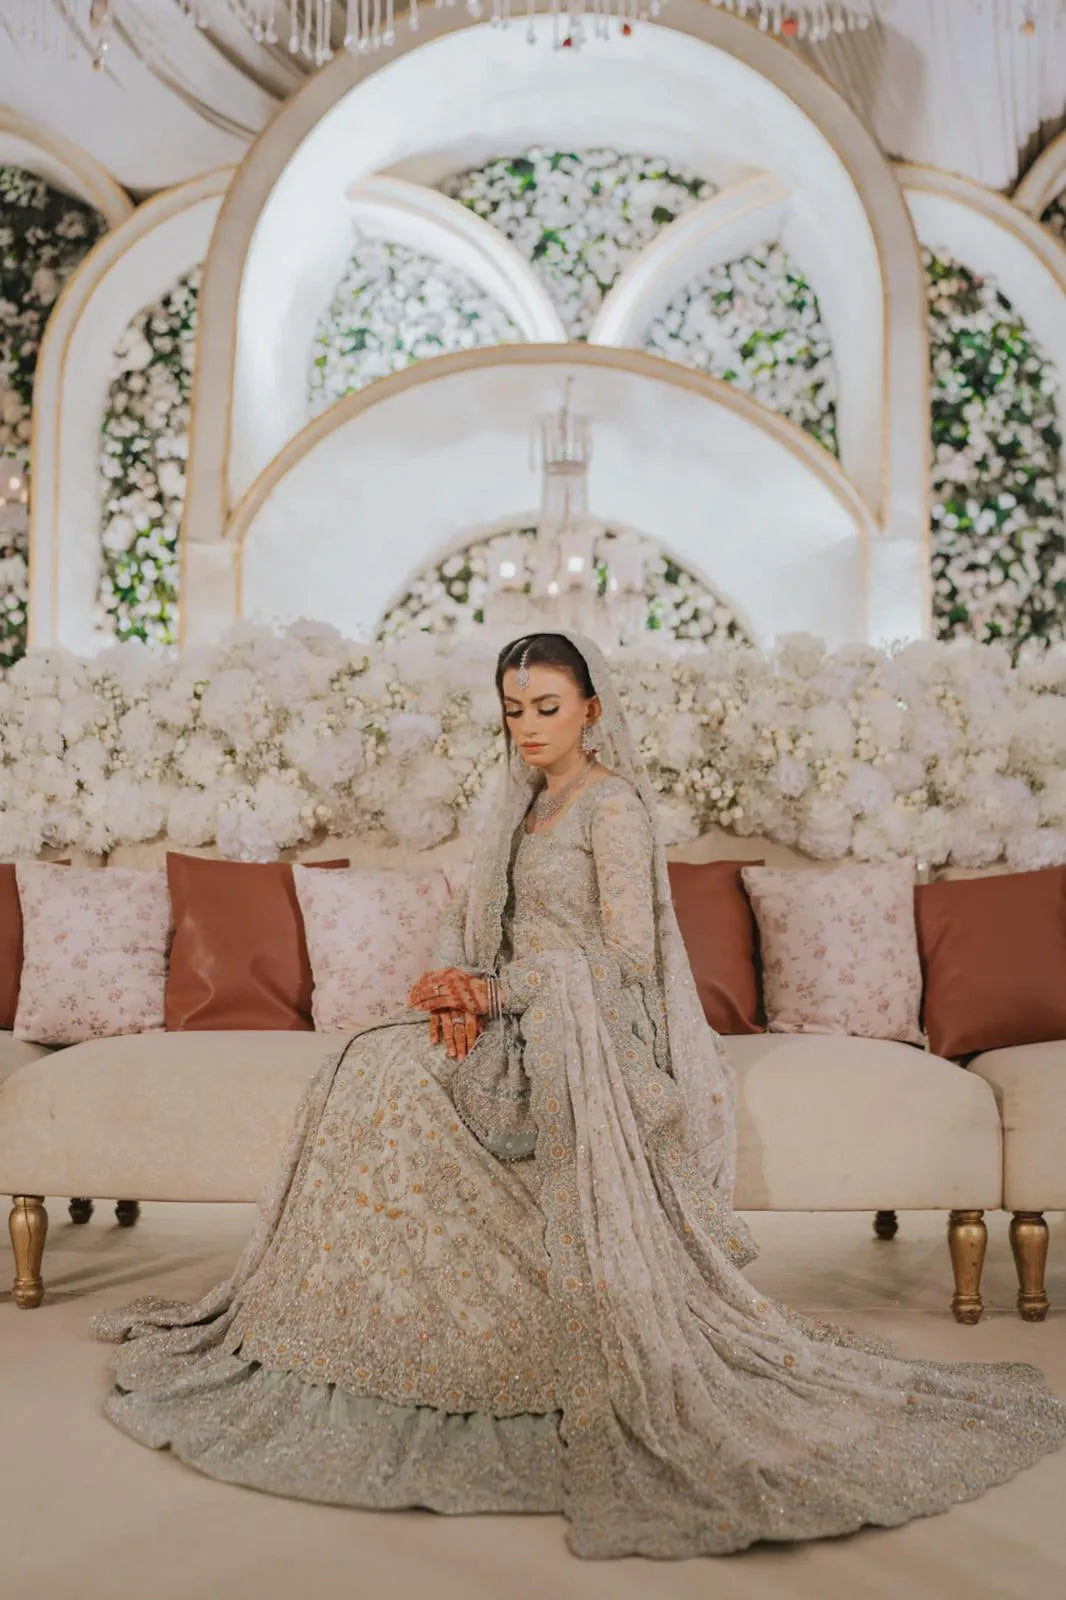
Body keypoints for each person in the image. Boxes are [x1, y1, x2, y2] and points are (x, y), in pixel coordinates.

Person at [93, 630, 1065, 1560]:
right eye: (513, 708)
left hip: (590, 1033)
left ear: (591, 709)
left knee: (401, 1085)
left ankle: (488, 1350)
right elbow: (471, 926)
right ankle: (379, 1334)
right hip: (515, 1015)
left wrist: (502, 992)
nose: (526, 725)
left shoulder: (613, 811)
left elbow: (626, 959)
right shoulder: (518, 809)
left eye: (546, 706)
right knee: (365, 1067)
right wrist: (451, 984)